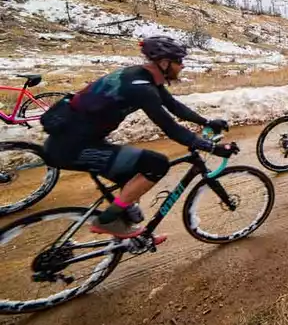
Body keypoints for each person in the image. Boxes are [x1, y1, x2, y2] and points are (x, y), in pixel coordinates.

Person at [40, 36, 232, 238]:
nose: (182, 66)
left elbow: (174, 106)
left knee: (133, 176)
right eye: (179, 61)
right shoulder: (141, 89)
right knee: (156, 164)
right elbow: (170, 128)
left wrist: (207, 123)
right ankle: (108, 221)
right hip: (71, 149)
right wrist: (210, 147)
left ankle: (130, 232)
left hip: (79, 140)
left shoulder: (140, 76)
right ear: (164, 63)